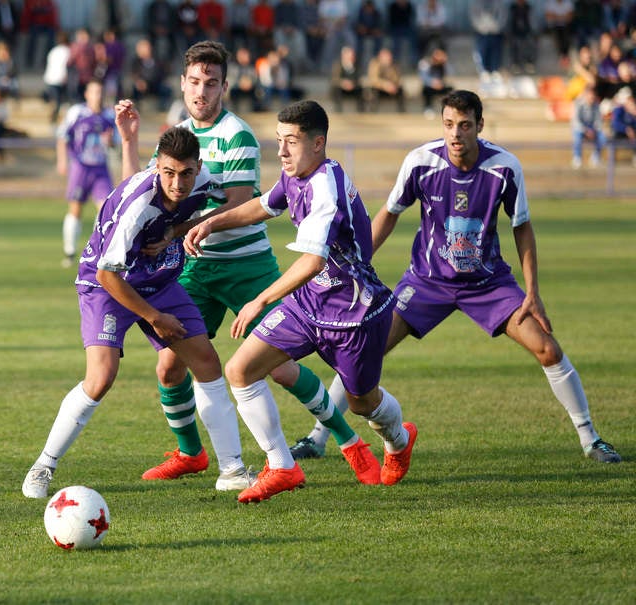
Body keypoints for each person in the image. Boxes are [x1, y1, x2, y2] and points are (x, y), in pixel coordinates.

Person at [288, 90, 621, 466]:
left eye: (464, 125)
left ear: (480, 125)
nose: (456, 134)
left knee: (547, 348)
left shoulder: (504, 167)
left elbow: (522, 226)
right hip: (426, 282)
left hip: (488, 283)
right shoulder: (421, 162)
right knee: (366, 351)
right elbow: (390, 212)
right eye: (449, 125)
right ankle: (318, 439)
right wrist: (360, 264)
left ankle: (591, 439)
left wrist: (533, 292)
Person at [116, 41, 378, 492]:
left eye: (211, 83)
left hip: (247, 265)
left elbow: (241, 200)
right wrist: (127, 139)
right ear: (182, 84)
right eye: (195, 82)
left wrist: (180, 231)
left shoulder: (236, 133)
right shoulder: (178, 132)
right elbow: (142, 189)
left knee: (277, 365)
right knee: (169, 367)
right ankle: (190, 453)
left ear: (224, 87)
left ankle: (349, 441)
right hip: (196, 269)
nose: (201, 91)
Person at [183, 100, 418, 502]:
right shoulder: (295, 175)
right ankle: (282, 467)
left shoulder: (326, 185)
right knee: (241, 370)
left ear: (318, 143)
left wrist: (259, 300)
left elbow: (312, 261)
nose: (282, 151)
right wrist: (211, 222)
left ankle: (398, 440)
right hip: (308, 306)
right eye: (278, 140)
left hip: (354, 314)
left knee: (363, 403)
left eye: (291, 141)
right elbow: (262, 206)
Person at [22, 127, 223, 498]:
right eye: (168, 173)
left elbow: (234, 203)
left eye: (185, 174)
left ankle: (233, 470)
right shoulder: (138, 206)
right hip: (107, 285)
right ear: (157, 167)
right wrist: (154, 317)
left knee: (206, 361)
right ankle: (43, 466)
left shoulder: (205, 181)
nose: (178, 183)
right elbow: (106, 273)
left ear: (198, 167)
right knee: (101, 377)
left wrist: (180, 229)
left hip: (158, 280)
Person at [56, 79, 116, 267]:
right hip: (81, 167)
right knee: (75, 209)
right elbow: (62, 136)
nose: (97, 96)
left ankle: (96, 252)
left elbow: (115, 142)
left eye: (100, 92)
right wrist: (63, 160)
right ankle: (69, 252)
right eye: (94, 92)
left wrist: (110, 142)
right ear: (87, 94)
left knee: (105, 211)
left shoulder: (108, 115)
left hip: (100, 168)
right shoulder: (77, 112)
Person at [129, 38, 173, 112]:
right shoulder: (136, 61)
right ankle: (137, 107)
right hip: (143, 85)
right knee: (135, 88)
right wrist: (139, 81)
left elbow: (163, 73)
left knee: (166, 89)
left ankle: (163, 107)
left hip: (156, 83)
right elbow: (134, 73)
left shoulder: (157, 59)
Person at [571, 84, 606, 169]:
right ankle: (577, 157)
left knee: (602, 137)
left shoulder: (596, 105)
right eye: (590, 95)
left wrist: (594, 130)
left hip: (592, 128)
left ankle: (596, 157)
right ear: (585, 94)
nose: (592, 97)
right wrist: (586, 130)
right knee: (577, 136)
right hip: (580, 128)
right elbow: (576, 121)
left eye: (593, 95)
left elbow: (598, 121)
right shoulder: (577, 104)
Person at [364, 47, 406, 113]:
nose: (389, 58)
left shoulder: (394, 65)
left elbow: (397, 79)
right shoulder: (374, 64)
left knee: (400, 90)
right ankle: (372, 112)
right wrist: (385, 85)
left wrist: (392, 85)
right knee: (374, 91)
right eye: (386, 56)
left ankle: (402, 112)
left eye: (389, 56)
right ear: (380, 57)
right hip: (379, 88)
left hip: (391, 88)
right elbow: (373, 79)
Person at [21, 0, 59, 69]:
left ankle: (49, 58)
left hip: (47, 25)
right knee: (32, 40)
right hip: (35, 25)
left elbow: (52, 13)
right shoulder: (30, 2)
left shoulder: (48, 2)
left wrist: (55, 25)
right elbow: (27, 14)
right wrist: (24, 27)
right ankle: (29, 59)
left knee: (51, 40)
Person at [42, 30, 70, 123]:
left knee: (55, 100)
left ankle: (54, 116)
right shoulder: (67, 51)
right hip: (59, 79)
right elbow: (65, 66)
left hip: (50, 78)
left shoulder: (53, 51)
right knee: (58, 101)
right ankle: (54, 118)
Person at [418, 46, 453, 116]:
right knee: (426, 90)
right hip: (429, 86)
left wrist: (445, 63)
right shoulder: (425, 62)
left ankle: (450, 109)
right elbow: (423, 77)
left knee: (451, 90)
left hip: (441, 85)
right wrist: (432, 83)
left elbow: (451, 74)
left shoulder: (444, 64)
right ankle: (428, 109)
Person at [329, 45, 365, 112]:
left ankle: (361, 109)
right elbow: (334, 78)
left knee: (361, 88)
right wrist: (343, 83)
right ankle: (338, 109)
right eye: (349, 55)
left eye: (352, 55)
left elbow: (360, 77)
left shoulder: (357, 65)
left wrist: (352, 83)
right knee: (335, 88)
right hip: (341, 88)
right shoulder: (337, 65)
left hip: (353, 87)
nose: (351, 57)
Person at [508, 0, 537, 75]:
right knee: (514, 42)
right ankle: (515, 64)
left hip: (527, 31)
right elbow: (508, 21)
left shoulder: (529, 8)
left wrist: (534, 31)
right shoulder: (512, 8)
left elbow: (533, 21)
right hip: (515, 32)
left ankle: (529, 63)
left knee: (531, 41)